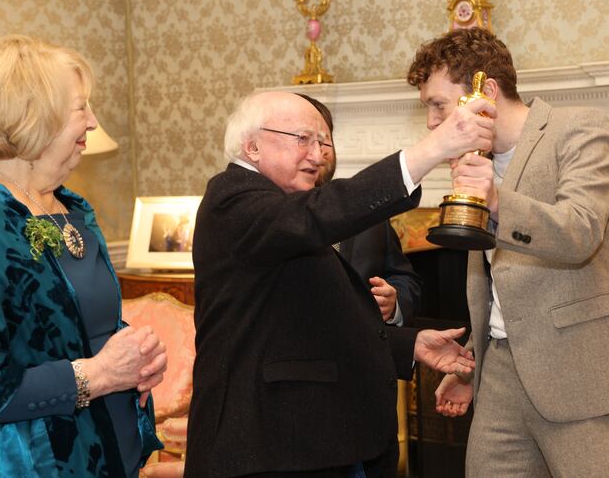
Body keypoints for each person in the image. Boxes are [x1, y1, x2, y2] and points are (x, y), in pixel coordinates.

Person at [185, 90, 493, 477]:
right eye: (302, 139)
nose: (317, 155)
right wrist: (435, 147)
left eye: (322, 141)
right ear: (252, 146)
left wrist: (408, 343)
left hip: (315, 443)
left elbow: (308, 319)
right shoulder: (231, 199)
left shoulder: (279, 209)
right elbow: (318, 214)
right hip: (268, 449)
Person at [406, 27, 609, 476]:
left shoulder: (579, 130)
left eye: (438, 105)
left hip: (583, 373)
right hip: (500, 379)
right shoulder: (473, 161)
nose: (431, 121)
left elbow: (581, 231)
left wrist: (497, 200)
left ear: (485, 92)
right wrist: (471, 366)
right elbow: (500, 283)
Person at [0, 35, 166, 477]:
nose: (92, 122)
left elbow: (69, 325)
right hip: (21, 462)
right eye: (80, 107)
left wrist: (136, 354)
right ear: (33, 116)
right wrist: (101, 374)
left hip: (101, 454)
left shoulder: (73, 209)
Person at [299, 93, 422, 327]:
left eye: (325, 140)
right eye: (305, 139)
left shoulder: (368, 212)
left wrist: (394, 301)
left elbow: (406, 278)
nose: (320, 151)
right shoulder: (267, 215)